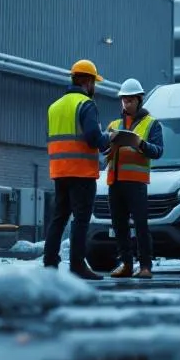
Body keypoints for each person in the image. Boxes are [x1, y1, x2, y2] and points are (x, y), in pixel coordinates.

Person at [43, 59, 111, 280]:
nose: (95, 88)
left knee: (59, 218)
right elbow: (92, 137)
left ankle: (50, 263)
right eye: (94, 82)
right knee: (81, 220)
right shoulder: (86, 104)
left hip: (60, 171)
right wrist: (108, 140)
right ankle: (77, 265)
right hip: (81, 171)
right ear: (88, 81)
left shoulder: (55, 106)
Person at [105, 78, 165, 279]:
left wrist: (140, 143)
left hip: (136, 183)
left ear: (139, 100)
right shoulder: (114, 125)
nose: (126, 104)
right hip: (115, 182)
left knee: (140, 225)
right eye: (124, 100)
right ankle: (126, 264)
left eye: (130, 100)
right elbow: (103, 152)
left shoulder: (152, 124)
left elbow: (158, 152)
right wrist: (109, 146)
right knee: (119, 225)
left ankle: (145, 266)